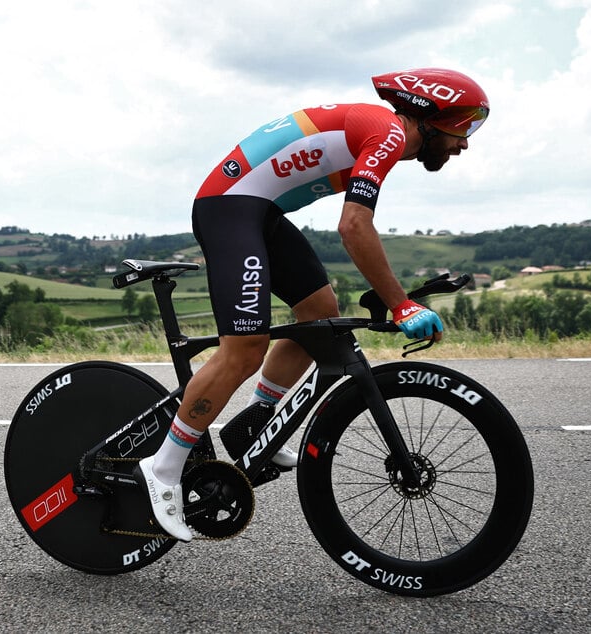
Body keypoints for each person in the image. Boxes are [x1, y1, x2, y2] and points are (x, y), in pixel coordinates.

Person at [134, 68, 490, 541]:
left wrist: (396, 297)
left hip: (259, 213)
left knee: (321, 318)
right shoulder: (387, 133)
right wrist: (401, 304)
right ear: (429, 116)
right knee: (243, 349)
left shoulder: (381, 136)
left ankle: (255, 423)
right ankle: (162, 468)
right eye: (462, 127)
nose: (464, 143)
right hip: (231, 207)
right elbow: (354, 227)